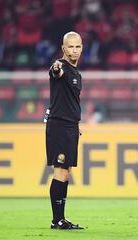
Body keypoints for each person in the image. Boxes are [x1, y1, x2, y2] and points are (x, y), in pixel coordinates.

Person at [45, 31, 84, 230]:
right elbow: (55, 71)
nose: (74, 50)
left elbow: (70, 101)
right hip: (59, 126)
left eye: (77, 46)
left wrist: (76, 124)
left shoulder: (77, 73)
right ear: (63, 48)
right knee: (60, 172)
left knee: (66, 173)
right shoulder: (61, 67)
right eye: (70, 46)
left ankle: (61, 218)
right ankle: (56, 220)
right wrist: (56, 67)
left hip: (70, 126)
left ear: (82, 48)